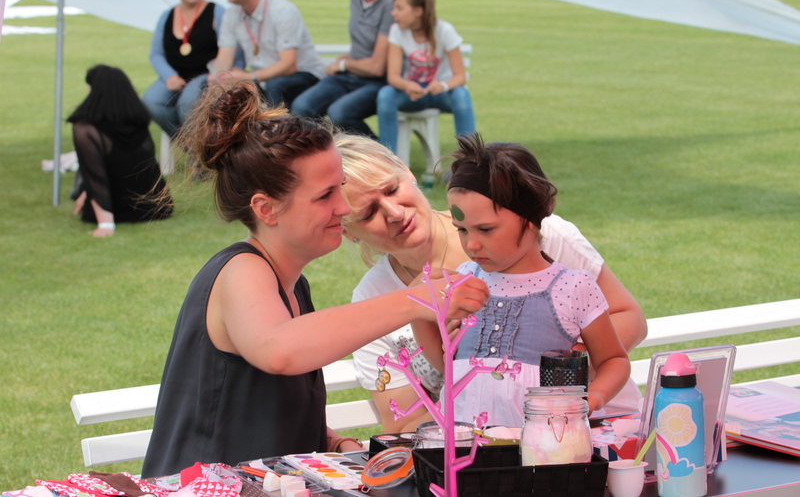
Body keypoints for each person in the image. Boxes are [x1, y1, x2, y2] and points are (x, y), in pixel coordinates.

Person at [140, 82, 488, 478]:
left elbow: (256, 410)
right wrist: (419, 299)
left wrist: (336, 443)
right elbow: (279, 350)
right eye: (325, 196)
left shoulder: (292, 284)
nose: (343, 208)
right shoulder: (241, 270)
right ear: (266, 209)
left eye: (340, 190)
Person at [335, 135, 645, 432]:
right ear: (345, 229)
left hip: (585, 428)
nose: (393, 213)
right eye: (369, 213)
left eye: (391, 189)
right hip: (481, 447)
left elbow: (622, 329)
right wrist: (418, 308)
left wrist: (570, 371)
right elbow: (417, 405)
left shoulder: (543, 239)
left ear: (407, 171)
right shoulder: (384, 298)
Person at [432, 133, 631, 426]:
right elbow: (448, 365)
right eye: (462, 229)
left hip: (544, 441)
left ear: (529, 219)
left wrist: (596, 394)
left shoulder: (572, 287)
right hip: (463, 442)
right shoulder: (464, 280)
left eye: (485, 229)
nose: (471, 244)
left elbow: (614, 359)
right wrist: (423, 313)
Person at [68, 65, 173, 238]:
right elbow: (130, 165)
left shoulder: (85, 129)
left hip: (115, 208)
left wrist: (106, 224)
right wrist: (87, 192)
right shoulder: (138, 120)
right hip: (155, 207)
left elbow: (96, 176)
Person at [291, 0, 395, 138]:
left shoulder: (392, 4)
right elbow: (366, 42)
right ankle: (326, 150)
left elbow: (377, 67)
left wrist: (343, 64)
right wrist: (349, 58)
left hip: (378, 81)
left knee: (339, 114)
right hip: (351, 74)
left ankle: (376, 151)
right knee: (301, 108)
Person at [207, 0, 326, 108]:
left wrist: (246, 77)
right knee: (211, 85)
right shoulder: (231, 14)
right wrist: (217, 75)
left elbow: (288, 65)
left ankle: (276, 122)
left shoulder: (282, 11)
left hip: (304, 74)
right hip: (262, 78)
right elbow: (224, 58)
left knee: (274, 86)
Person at [376, 0, 475, 154]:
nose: (393, 13)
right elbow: (393, 77)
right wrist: (407, 85)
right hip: (411, 94)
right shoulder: (396, 31)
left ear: (418, 11)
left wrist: (443, 85)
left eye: (399, 8)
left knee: (461, 94)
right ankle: (388, 159)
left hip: (440, 94)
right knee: (385, 94)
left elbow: (460, 76)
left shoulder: (444, 31)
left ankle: (470, 159)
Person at [142, 0, 233, 138]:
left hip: (205, 76)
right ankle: (188, 144)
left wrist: (220, 73)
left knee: (188, 102)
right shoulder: (167, 16)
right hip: (175, 75)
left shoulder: (217, 12)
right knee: (150, 101)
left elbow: (230, 49)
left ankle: (197, 149)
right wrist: (169, 76)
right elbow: (156, 54)